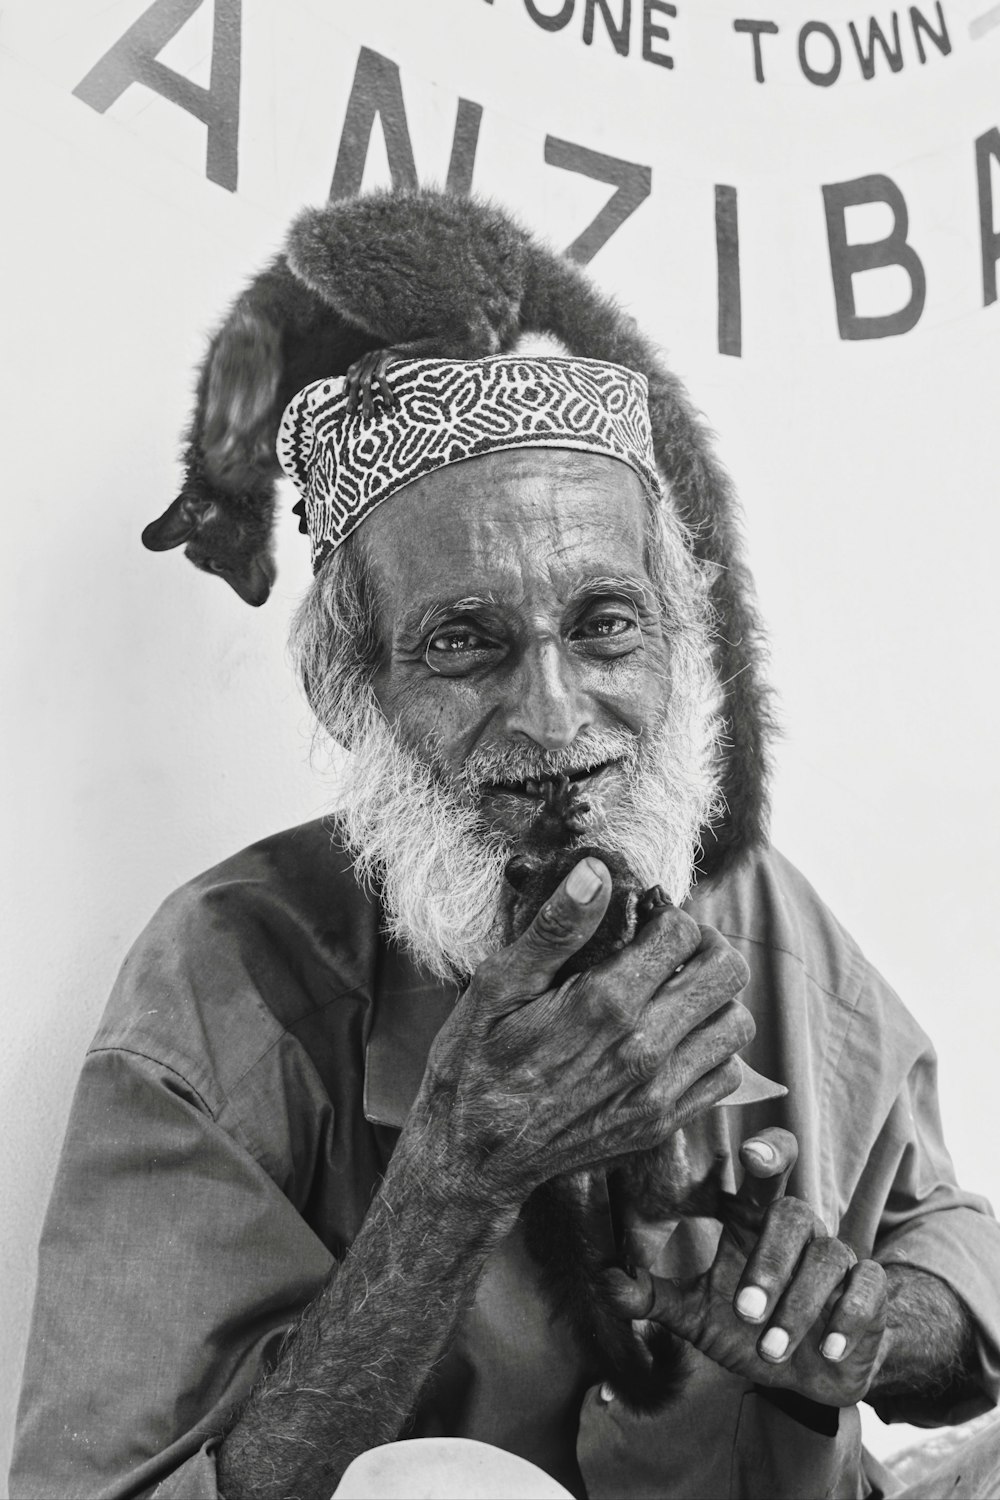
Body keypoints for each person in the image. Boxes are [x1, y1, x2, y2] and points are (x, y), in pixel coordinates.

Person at [10, 356, 1000, 1500]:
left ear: (679, 647)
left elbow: (953, 1253)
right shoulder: (225, 980)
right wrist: (452, 1185)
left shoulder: (750, 905)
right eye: (465, 641)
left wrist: (853, 1326)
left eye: (605, 625)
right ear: (353, 688)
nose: (554, 715)